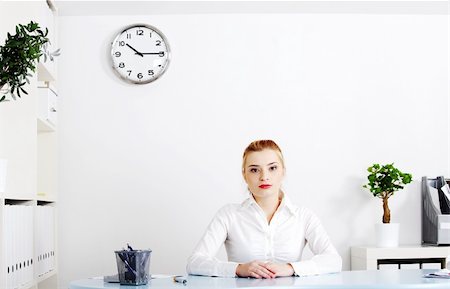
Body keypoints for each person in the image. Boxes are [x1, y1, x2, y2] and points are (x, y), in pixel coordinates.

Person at [186, 140, 342, 278]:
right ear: (244, 175)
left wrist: (290, 268)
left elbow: (333, 260)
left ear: (283, 171)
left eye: (272, 168)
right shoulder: (229, 215)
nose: (264, 177)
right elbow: (195, 262)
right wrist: (239, 269)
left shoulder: (304, 216)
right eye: (254, 170)